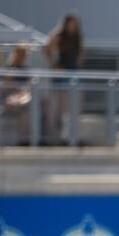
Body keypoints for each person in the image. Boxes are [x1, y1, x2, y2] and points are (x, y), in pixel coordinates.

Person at [43, 12, 84, 141]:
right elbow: (47, 49)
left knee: (76, 103)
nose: (72, 26)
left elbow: (80, 54)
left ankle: (73, 132)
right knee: (62, 105)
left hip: (75, 73)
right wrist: (54, 65)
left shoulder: (77, 37)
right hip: (62, 73)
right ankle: (58, 132)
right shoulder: (59, 36)